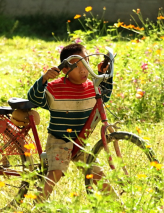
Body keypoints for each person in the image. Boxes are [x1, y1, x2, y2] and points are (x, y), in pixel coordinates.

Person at [27, 43, 113, 201]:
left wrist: (103, 74)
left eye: (86, 62)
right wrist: (44, 78)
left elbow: (104, 97)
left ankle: (119, 206)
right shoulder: (55, 88)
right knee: (56, 172)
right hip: (59, 139)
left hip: (80, 140)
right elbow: (33, 99)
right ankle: (38, 204)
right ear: (65, 70)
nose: (83, 69)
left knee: (97, 172)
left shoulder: (91, 87)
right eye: (77, 65)